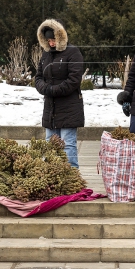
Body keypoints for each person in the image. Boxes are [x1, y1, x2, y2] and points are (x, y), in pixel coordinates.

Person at [35, 19, 84, 168]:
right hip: (51, 108)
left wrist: (54, 90)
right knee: (51, 144)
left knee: (68, 144)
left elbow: (74, 79)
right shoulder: (46, 55)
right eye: (48, 40)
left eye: (54, 39)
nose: (51, 43)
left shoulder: (73, 52)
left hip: (69, 107)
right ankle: (52, 175)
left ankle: (72, 175)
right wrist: (44, 88)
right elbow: (38, 77)